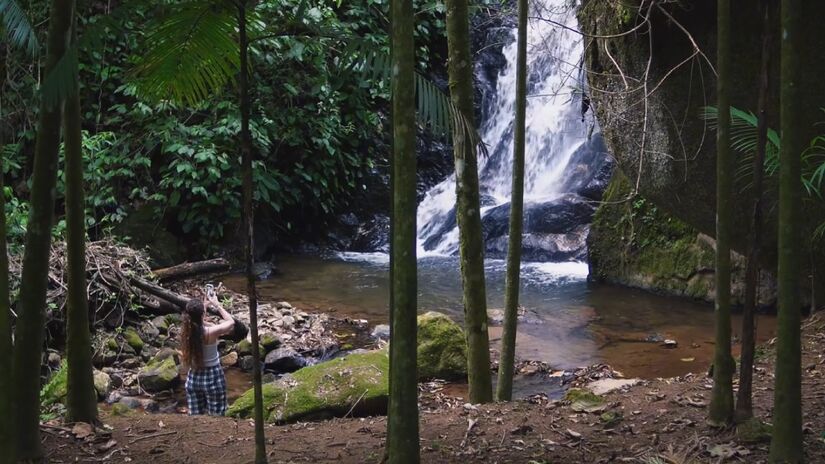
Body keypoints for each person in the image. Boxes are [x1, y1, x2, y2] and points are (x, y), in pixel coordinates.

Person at [180, 293, 235, 415]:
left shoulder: (185, 331)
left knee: (195, 416)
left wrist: (203, 307)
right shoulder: (211, 332)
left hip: (193, 377)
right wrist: (217, 305)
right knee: (217, 415)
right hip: (212, 376)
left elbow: (197, 322)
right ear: (203, 315)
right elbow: (231, 322)